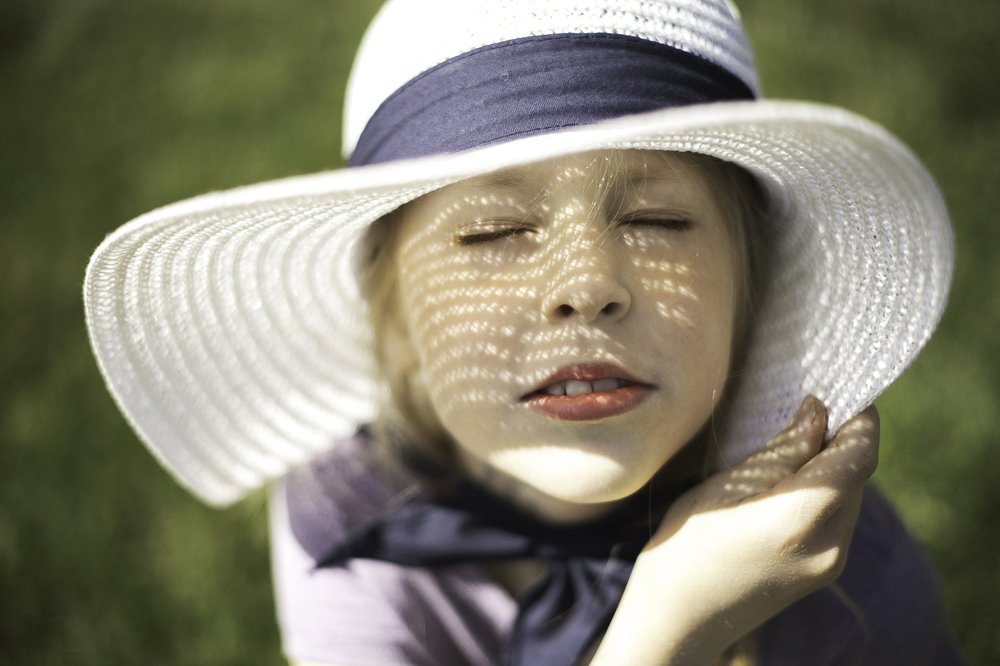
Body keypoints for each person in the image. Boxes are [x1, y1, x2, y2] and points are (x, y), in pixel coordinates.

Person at [84, 0, 963, 663]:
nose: (585, 287)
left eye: (656, 220)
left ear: (753, 286)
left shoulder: (844, 570)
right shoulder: (357, 543)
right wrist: (670, 627)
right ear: (395, 322)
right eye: (493, 233)